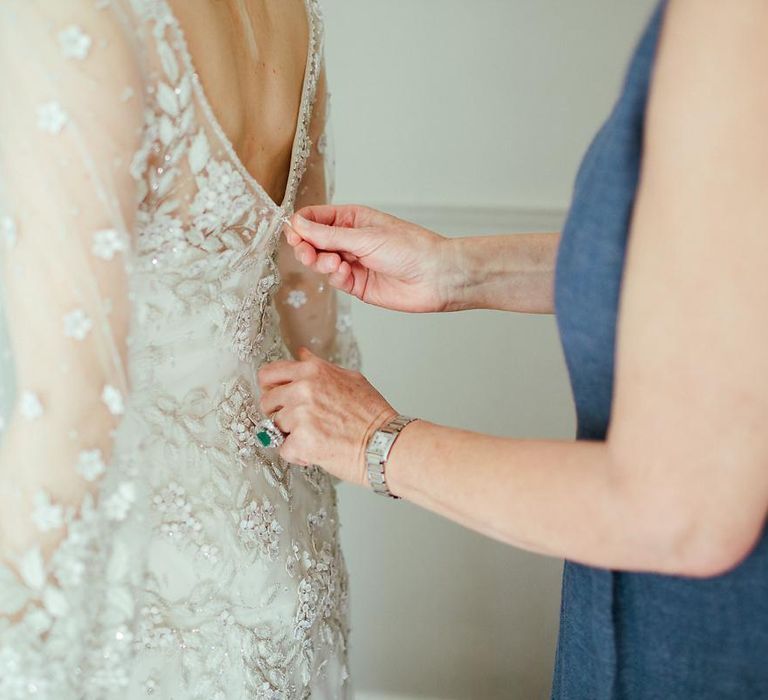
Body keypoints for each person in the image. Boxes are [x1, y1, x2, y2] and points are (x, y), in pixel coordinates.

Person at [259, 1, 768, 697]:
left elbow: (678, 514)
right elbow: (721, 278)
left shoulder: (737, 26)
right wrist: (458, 270)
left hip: (715, 641)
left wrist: (377, 442)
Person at [0, 1, 357, 697]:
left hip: (136, 573)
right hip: (278, 533)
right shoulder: (293, 14)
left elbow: (74, 416)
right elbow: (309, 306)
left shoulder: (71, 16)